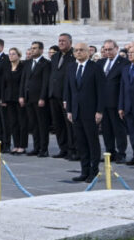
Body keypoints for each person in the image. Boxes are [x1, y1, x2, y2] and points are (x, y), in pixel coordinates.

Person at [64, 42, 105, 183]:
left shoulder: (95, 68)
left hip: (91, 111)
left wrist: (99, 111)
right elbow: (69, 90)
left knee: (92, 142)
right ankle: (84, 170)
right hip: (76, 111)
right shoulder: (71, 67)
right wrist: (69, 109)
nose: (78, 52)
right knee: (81, 142)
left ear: (88, 52)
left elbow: (101, 91)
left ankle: (94, 172)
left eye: (81, 50)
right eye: (76, 50)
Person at [20, 41, 51, 157]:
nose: (32, 50)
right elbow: (24, 80)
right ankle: (36, 147)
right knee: (33, 125)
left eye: (35, 48)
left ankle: (44, 149)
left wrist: (42, 97)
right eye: (31, 48)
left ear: (41, 50)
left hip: (39, 99)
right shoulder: (27, 63)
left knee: (42, 125)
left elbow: (45, 82)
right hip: (28, 98)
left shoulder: (45, 63)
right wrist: (21, 95)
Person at [98, 40, 126, 163]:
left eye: (110, 49)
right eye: (106, 49)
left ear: (117, 48)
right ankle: (110, 153)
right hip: (102, 103)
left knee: (118, 129)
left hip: (116, 102)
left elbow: (124, 85)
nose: (108, 52)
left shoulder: (124, 63)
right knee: (106, 130)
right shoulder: (100, 62)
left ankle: (121, 153)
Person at [50, 34, 76, 159]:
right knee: (58, 124)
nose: (61, 43)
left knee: (69, 125)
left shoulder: (74, 55)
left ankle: (73, 150)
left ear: (70, 42)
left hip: (66, 96)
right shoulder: (55, 56)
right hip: (54, 95)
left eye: (63, 41)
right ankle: (63, 148)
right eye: (59, 41)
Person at [1, 48, 25, 154]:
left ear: (18, 55)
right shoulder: (7, 67)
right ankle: (16, 145)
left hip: (19, 98)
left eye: (13, 54)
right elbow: (3, 84)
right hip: (9, 98)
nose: (11, 56)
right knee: (13, 122)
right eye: (10, 54)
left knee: (22, 122)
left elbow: (23, 83)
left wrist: (22, 96)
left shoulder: (23, 67)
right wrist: (3, 98)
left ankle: (22, 145)